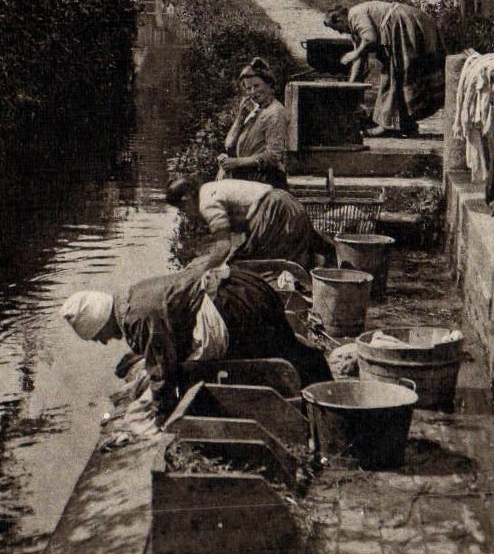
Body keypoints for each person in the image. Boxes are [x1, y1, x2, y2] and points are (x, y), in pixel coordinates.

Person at [61, 259, 330, 416]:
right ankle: (324, 394)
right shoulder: (132, 298)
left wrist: (157, 411)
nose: (104, 342)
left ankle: (324, 407)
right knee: (291, 351)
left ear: (102, 322)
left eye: (98, 337)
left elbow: (163, 372)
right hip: (243, 286)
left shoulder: (136, 319)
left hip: (236, 306)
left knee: (282, 360)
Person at [323, 0, 445, 137]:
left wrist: (353, 54)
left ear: (339, 18)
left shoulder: (355, 15)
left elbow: (370, 39)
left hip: (403, 23)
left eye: (337, 28)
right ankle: (405, 124)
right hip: (407, 23)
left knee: (395, 75)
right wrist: (350, 87)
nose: (340, 33)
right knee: (398, 75)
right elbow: (359, 60)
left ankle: (387, 126)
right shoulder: (354, 26)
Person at [166, 175, 333, 271]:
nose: (186, 214)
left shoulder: (207, 202)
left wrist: (201, 271)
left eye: (183, 209)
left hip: (275, 211)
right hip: (285, 202)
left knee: (253, 265)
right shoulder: (210, 188)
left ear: (186, 200)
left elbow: (223, 246)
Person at [218, 59, 289, 186]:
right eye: (248, 88)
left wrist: (237, 162)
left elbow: (273, 156)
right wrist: (240, 116)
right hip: (248, 179)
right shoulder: (254, 110)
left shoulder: (276, 112)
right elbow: (229, 144)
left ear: (269, 85)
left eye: (256, 86)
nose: (252, 92)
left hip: (266, 180)